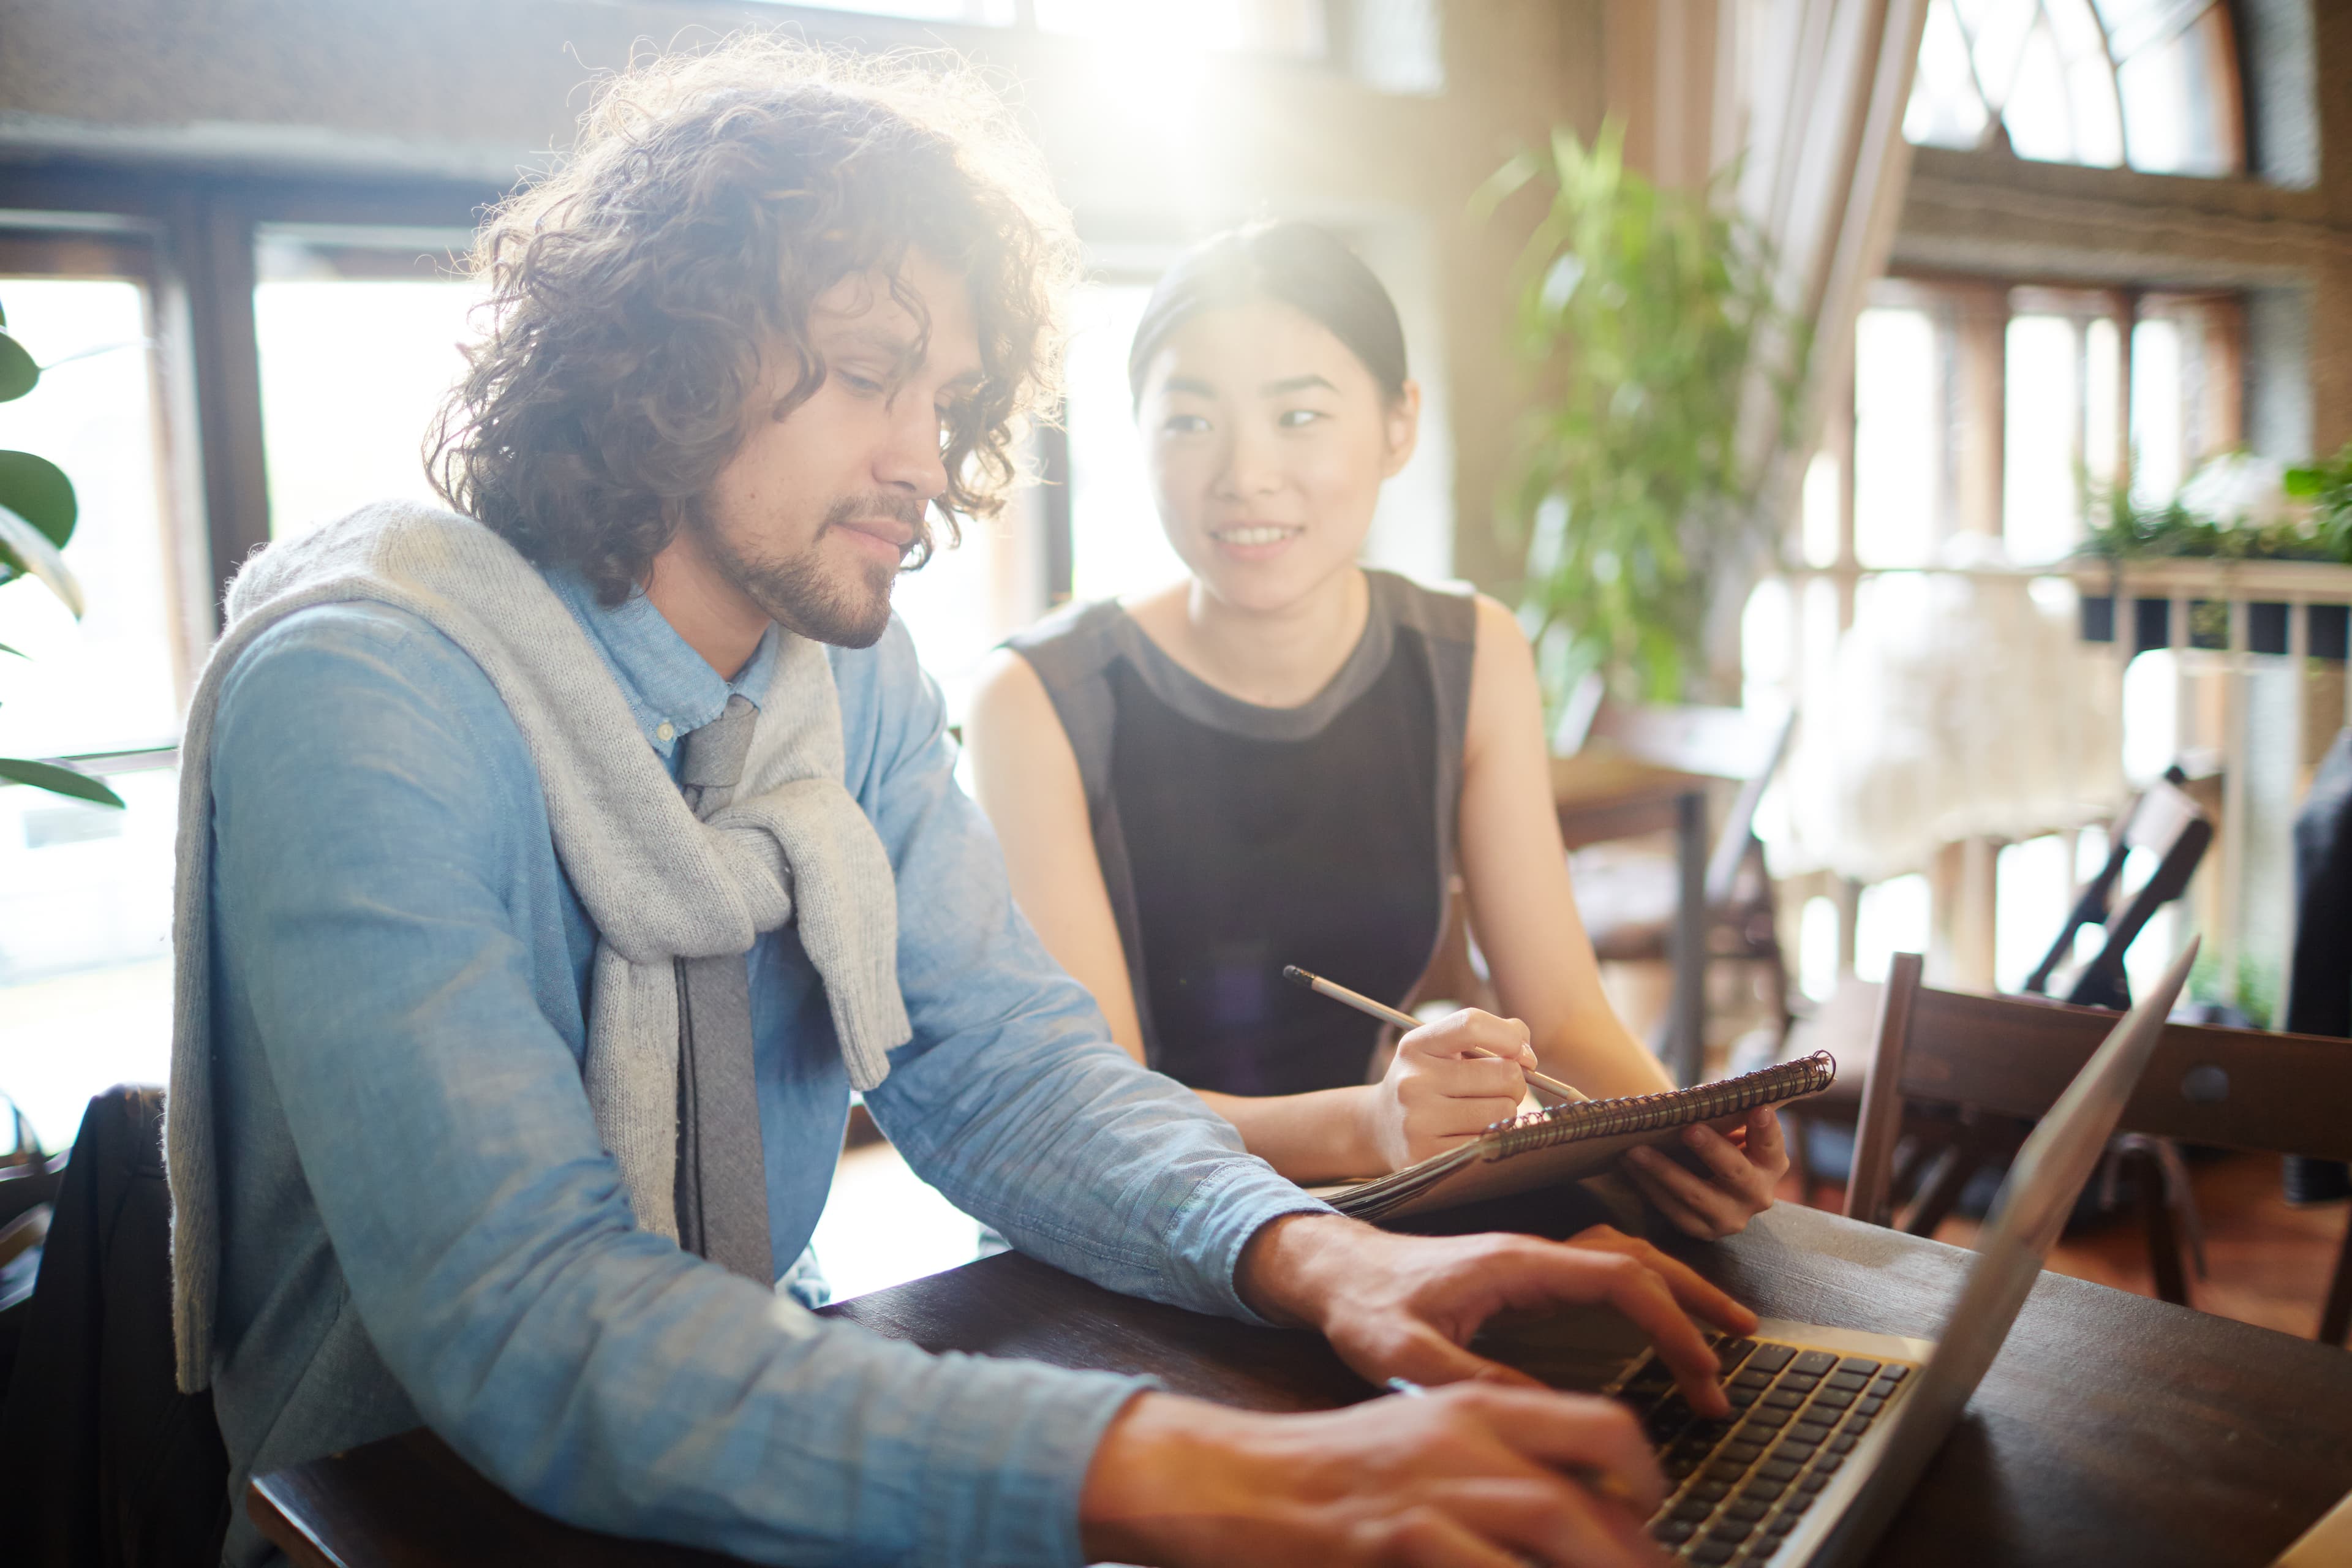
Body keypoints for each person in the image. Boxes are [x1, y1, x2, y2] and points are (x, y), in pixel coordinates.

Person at [167, 40, 1758, 1568]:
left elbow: (1004, 1068)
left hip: (757, 1452)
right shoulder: (367, 699)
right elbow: (525, 1313)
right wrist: (1206, 1472)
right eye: (871, 376)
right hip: (405, 1515)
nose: (926, 460)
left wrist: (1330, 1253)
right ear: (662, 348)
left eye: (951, 398)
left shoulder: (843, 679)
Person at [965, 222, 1787, 1234]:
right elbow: (1095, 1110)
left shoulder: (1470, 654)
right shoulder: (1037, 699)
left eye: (1300, 414)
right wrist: (1369, 1125)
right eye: (1189, 422)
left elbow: (1563, 1015)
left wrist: (1677, 1131)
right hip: (1122, 1237)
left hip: (1367, 1219)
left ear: (1401, 426)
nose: (1245, 474)